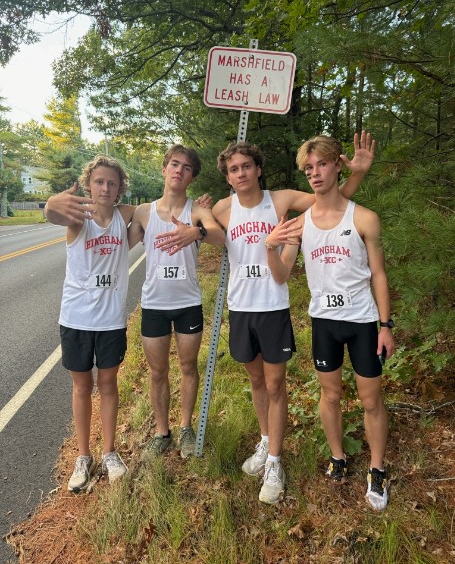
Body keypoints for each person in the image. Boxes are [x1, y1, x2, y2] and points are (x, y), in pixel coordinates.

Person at [212, 133, 374, 505]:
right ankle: (266, 439)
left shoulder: (281, 199)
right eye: (234, 169)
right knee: (255, 381)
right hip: (241, 307)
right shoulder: (223, 208)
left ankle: (275, 462)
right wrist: (196, 226)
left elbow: (330, 202)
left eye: (247, 166)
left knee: (274, 386)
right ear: (228, 176)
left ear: (258, 169)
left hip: (272, 306)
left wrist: (358, 175)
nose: (241, 173)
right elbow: (199, 222)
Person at [264, 133, 395, 511]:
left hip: (362, 322)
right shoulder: (300, 224)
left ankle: (376, 468)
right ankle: (338, 457)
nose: (315, 173)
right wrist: (270, 247)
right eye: (308, 168)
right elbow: (281, 275)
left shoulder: (365, 218)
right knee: (331, 395)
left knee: (371, 398)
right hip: (323, 323)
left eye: (322, 164)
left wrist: (386, 325)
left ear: (338, 164)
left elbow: (379, 275)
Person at [44, 155, 136, 493]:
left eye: (112, 183)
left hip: (110, 320)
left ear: (119, 189)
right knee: (82, 387)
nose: (105, 188)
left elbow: (154, 211)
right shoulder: (77, 219)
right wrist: (53, 201)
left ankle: (109, 451)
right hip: (76, 318)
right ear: (88, 185)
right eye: (99, 181)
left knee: (109, 385)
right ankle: (83, 457)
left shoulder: (125, 217)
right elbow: (52, 212)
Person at [128, 144, 225, 458]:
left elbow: (219, 237)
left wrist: (195, 233)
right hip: (154, 303)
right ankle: (162, 432)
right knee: (157, 372)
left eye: (186, 167)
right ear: (164, 168)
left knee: (187, 366)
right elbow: (117, 239)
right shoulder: (143, 211)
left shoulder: (196, 210)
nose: (179, 170)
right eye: (174, 164)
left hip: (187, 303)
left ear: (191, 177)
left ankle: (185, 427)